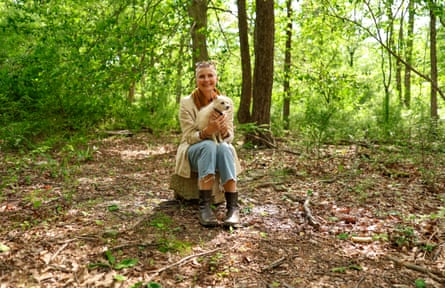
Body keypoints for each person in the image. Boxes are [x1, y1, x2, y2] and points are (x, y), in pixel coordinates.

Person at [174, 61, 242, 227]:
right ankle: (204, 207)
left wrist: (224, 130)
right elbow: (188, 136)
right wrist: (207, 132)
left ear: (216, 78)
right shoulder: (186, 102)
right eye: (201, 76)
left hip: (219, 146)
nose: (206, 80)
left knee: (226, 148)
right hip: (193, 149)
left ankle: (233, 207)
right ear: (196, 80)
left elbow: (229, 137)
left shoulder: (226, 102)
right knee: (209, 145)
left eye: (210, 75)